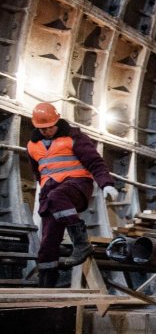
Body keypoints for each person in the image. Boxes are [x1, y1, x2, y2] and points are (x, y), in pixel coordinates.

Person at [26, 102, 119, 287]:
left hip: (77, 186)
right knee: (47, 242)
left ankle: (81, 244)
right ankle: (46, 284)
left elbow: (95, 162)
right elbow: (39, 173)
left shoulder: (74, 137)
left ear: (57, 121)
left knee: (57, 197)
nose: (46, 131)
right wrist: (42, 193)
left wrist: (106, 184)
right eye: (42, 128)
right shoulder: (32, 146)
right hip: (50, 195)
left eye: (49, 127)